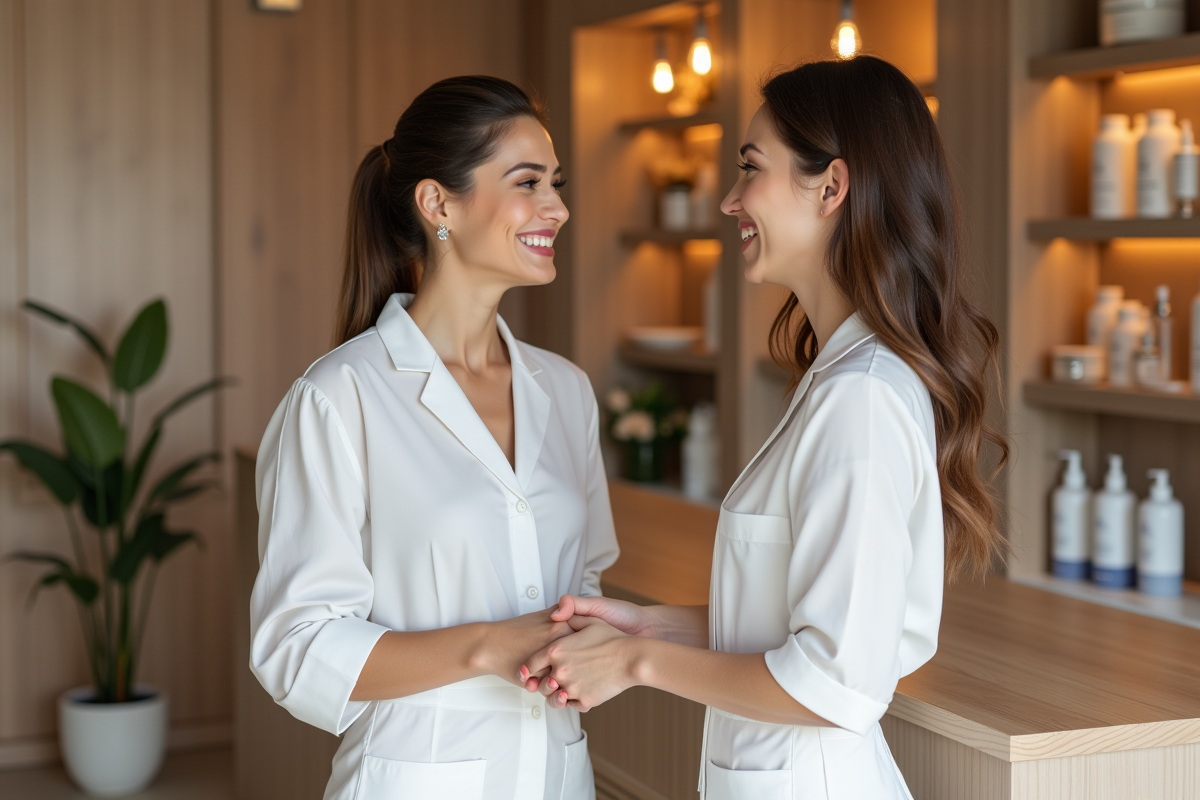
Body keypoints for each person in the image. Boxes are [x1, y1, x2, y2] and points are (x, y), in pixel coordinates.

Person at [520, 56, 1007, 800]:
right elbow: (793, 618)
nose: (729, 199)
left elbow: (834, 682)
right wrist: (645, 628)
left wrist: (631, 665)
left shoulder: (863, 399)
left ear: (832, 187)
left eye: (752, 169)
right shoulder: (839, 381)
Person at [250, 76, 618, 800]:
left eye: (557, 183)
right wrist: (487, 646)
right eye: (528, 182)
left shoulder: (567, 391)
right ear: (438, 203)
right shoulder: (338, 398)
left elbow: (584, 582)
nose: (559, 207)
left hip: (558, 776)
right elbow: (295, 648)